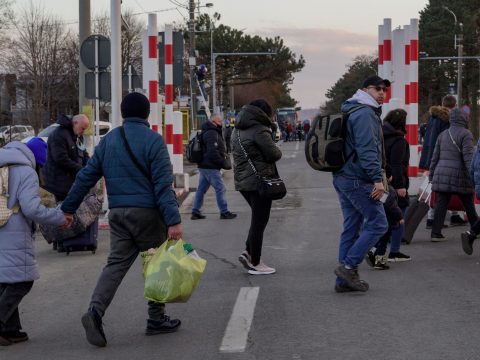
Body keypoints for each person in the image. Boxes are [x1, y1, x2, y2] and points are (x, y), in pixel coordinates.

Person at [60, 92, 183, 347]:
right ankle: (156, 318)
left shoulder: (109, 141)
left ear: (123, 113)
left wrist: (68, 209)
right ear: (147, 114)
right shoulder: (154, 141)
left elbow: (86, 177)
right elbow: (162, 186)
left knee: (115, 265)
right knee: (156, 263)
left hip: (117, 213)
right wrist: (174, 220)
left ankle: (95, 311)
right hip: (148, 214)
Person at [0, 138, 67, 346]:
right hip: (14, 231)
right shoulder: (26, 171)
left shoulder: (4, 163)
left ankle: (11, 329)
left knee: (6, 280)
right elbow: (31, 209)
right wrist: (59, 217)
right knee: (22, 281)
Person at [332, 75, 389, 293]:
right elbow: (367, 150)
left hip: (342, 176)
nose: (382, 93)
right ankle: (348, 267)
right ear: (365, 90)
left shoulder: (351, 108)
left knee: (352, 226)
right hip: (358, 178)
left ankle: (343, 282)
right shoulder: (365, 113)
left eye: (384, 89)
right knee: (378, 223)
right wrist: (377, 179)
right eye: (377, 89)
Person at [232, 99, 282, 275]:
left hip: (243, 182)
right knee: (259, 222)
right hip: (259, 182)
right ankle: (255, 262)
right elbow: (274, 154)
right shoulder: (260, 130)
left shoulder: (237, 130)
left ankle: (248, 252)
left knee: (258, 219)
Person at [429, 108, 478, 241]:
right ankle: (475, 229)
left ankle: (436, 233)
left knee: (441, 204)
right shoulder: (466, 134)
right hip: (459, 174)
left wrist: (432, 175)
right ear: (464, 119)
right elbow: (469, 158)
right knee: (468, 202)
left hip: (441, 173)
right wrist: (473, 175)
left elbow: (435, 157)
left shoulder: (443, 134)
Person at [419, 95, 466, 227]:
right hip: (443, 158)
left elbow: (429, 139)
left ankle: (449, 216)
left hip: (432, 157)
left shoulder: (433, 118)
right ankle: (433, 218)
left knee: (443, 187)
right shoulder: (447, 120)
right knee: (445, 188)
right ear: (454, 105)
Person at [191, 113, 237, 220]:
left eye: (221, 121)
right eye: (219, 121)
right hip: (210, 166)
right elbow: (212, 151)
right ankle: (224, 212)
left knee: (201, 189)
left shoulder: (208, 131)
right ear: (213, 122)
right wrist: (221, 162)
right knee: (220, 188)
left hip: (204, 165)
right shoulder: (211, 133)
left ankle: (195, 212)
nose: (221, 123)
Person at [382, 109, 411, 262]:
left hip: (382, 181)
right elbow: (397, 164)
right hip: (395, 182)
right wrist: (401, 186)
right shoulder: (399, 140)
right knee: (399, 215)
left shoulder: (380, 136)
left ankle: (379, 250)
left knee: (383, 215)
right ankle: (394, 251)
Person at [42, 114, 90, 202]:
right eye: (82, 128)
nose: (83, 132)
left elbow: (84, 153)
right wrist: (81, 169)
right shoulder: (58, 135)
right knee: (63, 210)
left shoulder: (78, 136)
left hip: (72, 181)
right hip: (59, 183)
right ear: (75, 123)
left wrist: (90, 165)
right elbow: (61, 159)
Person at [365, 186, 404, 270]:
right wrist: (400, 216)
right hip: (387, 220)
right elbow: (392, 206)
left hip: (375, 218)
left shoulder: (372, 187)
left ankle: (372, 250)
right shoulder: (388, 189)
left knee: (378, 239)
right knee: (383, 242)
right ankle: (380, 262)